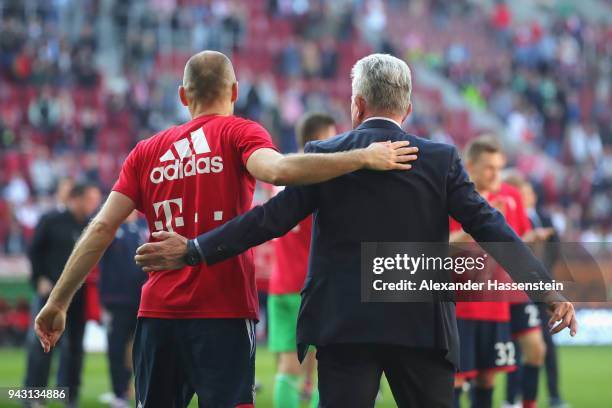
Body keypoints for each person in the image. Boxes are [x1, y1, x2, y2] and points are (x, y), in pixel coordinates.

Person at [134, 53, 577, 408]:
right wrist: (548, 292)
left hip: (344, 327)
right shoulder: (441, 160)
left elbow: (266, 221)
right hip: (420, 327)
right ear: (407, 107)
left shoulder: (324, 155)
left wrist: (194, 250)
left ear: (357, 104)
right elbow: (490, 226)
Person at [33, 50, 418, 408]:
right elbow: (279, 170)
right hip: (224, 312)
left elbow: (100, 227)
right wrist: (364, 156)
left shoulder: (146, 151)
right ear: (234, 91)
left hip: (159, 314)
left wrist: (58, 302)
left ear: (184, 96)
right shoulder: (239, 133)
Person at [449, 136, 546, 408]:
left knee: (487, 379)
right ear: (470, 166)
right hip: (460, 306)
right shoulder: (452, 197)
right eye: (489, 167)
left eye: (499, 167)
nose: (496, 174)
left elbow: (514, 246)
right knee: (455, 379)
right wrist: (473, 230)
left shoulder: (510, 197)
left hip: (496, 305)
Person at [269, 112, 337, 408]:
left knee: (288, 366)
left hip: (280, 284)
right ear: (319, 139)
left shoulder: (279, 171)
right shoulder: (320, 176)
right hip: (312, 285)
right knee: (325, 366)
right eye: (332, 136)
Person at [25, 181, 101, 407]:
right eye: (89, 199)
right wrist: (39, 278)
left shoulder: (92, 225)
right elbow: (34, 251)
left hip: (80, 294)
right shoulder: (51, 220)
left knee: (76, 347)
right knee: (42, 344)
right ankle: (34, 395)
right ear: (75, 199)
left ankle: (70, 395)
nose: (94, 204)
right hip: (50, 295)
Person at [503, 173, 569, 408]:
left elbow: (553, 250)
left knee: (543, 347)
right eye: (524, 192)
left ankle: (552, 395)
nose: (528, 196)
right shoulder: (506, 216)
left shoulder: (542, 217)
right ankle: (511, 398)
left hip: (537, 289)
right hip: (517, 291)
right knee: (521, 347)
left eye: (529, 192)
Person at [98, 210, 148, 408]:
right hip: (117, 299)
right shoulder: (110, 226)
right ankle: (119, 392)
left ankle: (140, 389)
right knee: (117, 347)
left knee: (143, 347)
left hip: (144, 298)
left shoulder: (147, 226)